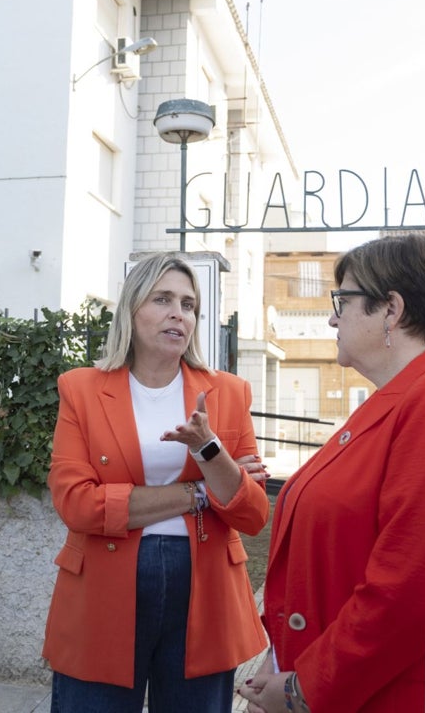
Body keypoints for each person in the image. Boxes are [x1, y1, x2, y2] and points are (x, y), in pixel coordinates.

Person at [238, 235, 425, 713]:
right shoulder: (396, 396)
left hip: (382, 697)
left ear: (391, 309)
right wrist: (279, 660)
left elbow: (409, 588)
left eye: (343, 300)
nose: (333, 317)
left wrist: (303, 689)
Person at [42, 251, 270, 712]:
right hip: (103, 591)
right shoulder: (81, 389)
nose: (178, 313)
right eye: (162, 299)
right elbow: (77, 505)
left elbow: (251, 514)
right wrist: (201, 491)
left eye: (188, 305)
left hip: (206, 591)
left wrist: (209, 450)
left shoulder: (227, 392)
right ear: (131, 309)